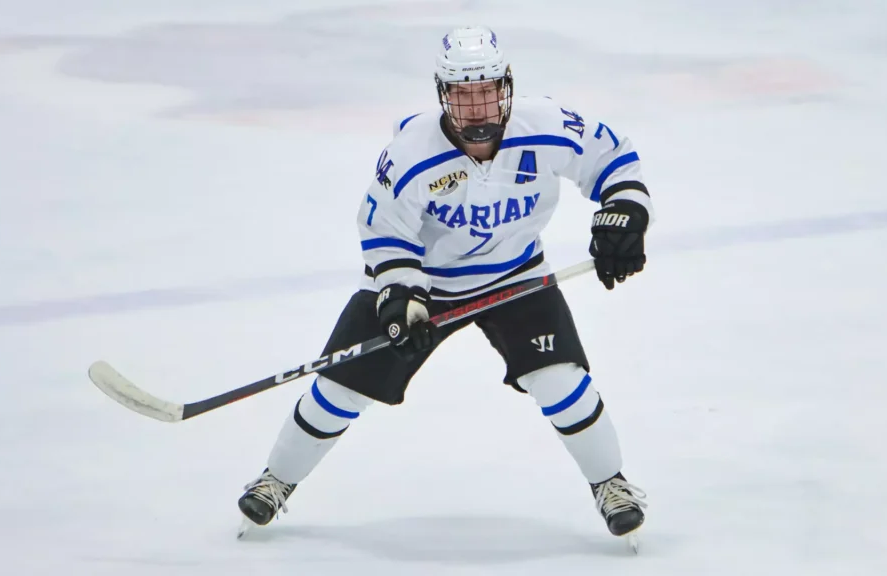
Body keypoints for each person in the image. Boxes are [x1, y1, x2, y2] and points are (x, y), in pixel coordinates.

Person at [237, 25, 655, 539]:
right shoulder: (411, 154)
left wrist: (625, 212)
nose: (476, 108)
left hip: (515, 276)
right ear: (443, 94)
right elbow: (384, 230)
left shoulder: (546, 124)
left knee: (560, 379)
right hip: (426, 287)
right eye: (462, 95)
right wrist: (401, 294)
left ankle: (610, 484)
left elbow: (613, 157)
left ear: (506, 86)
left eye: (486, 92)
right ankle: (275, 481)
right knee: (340, 388)